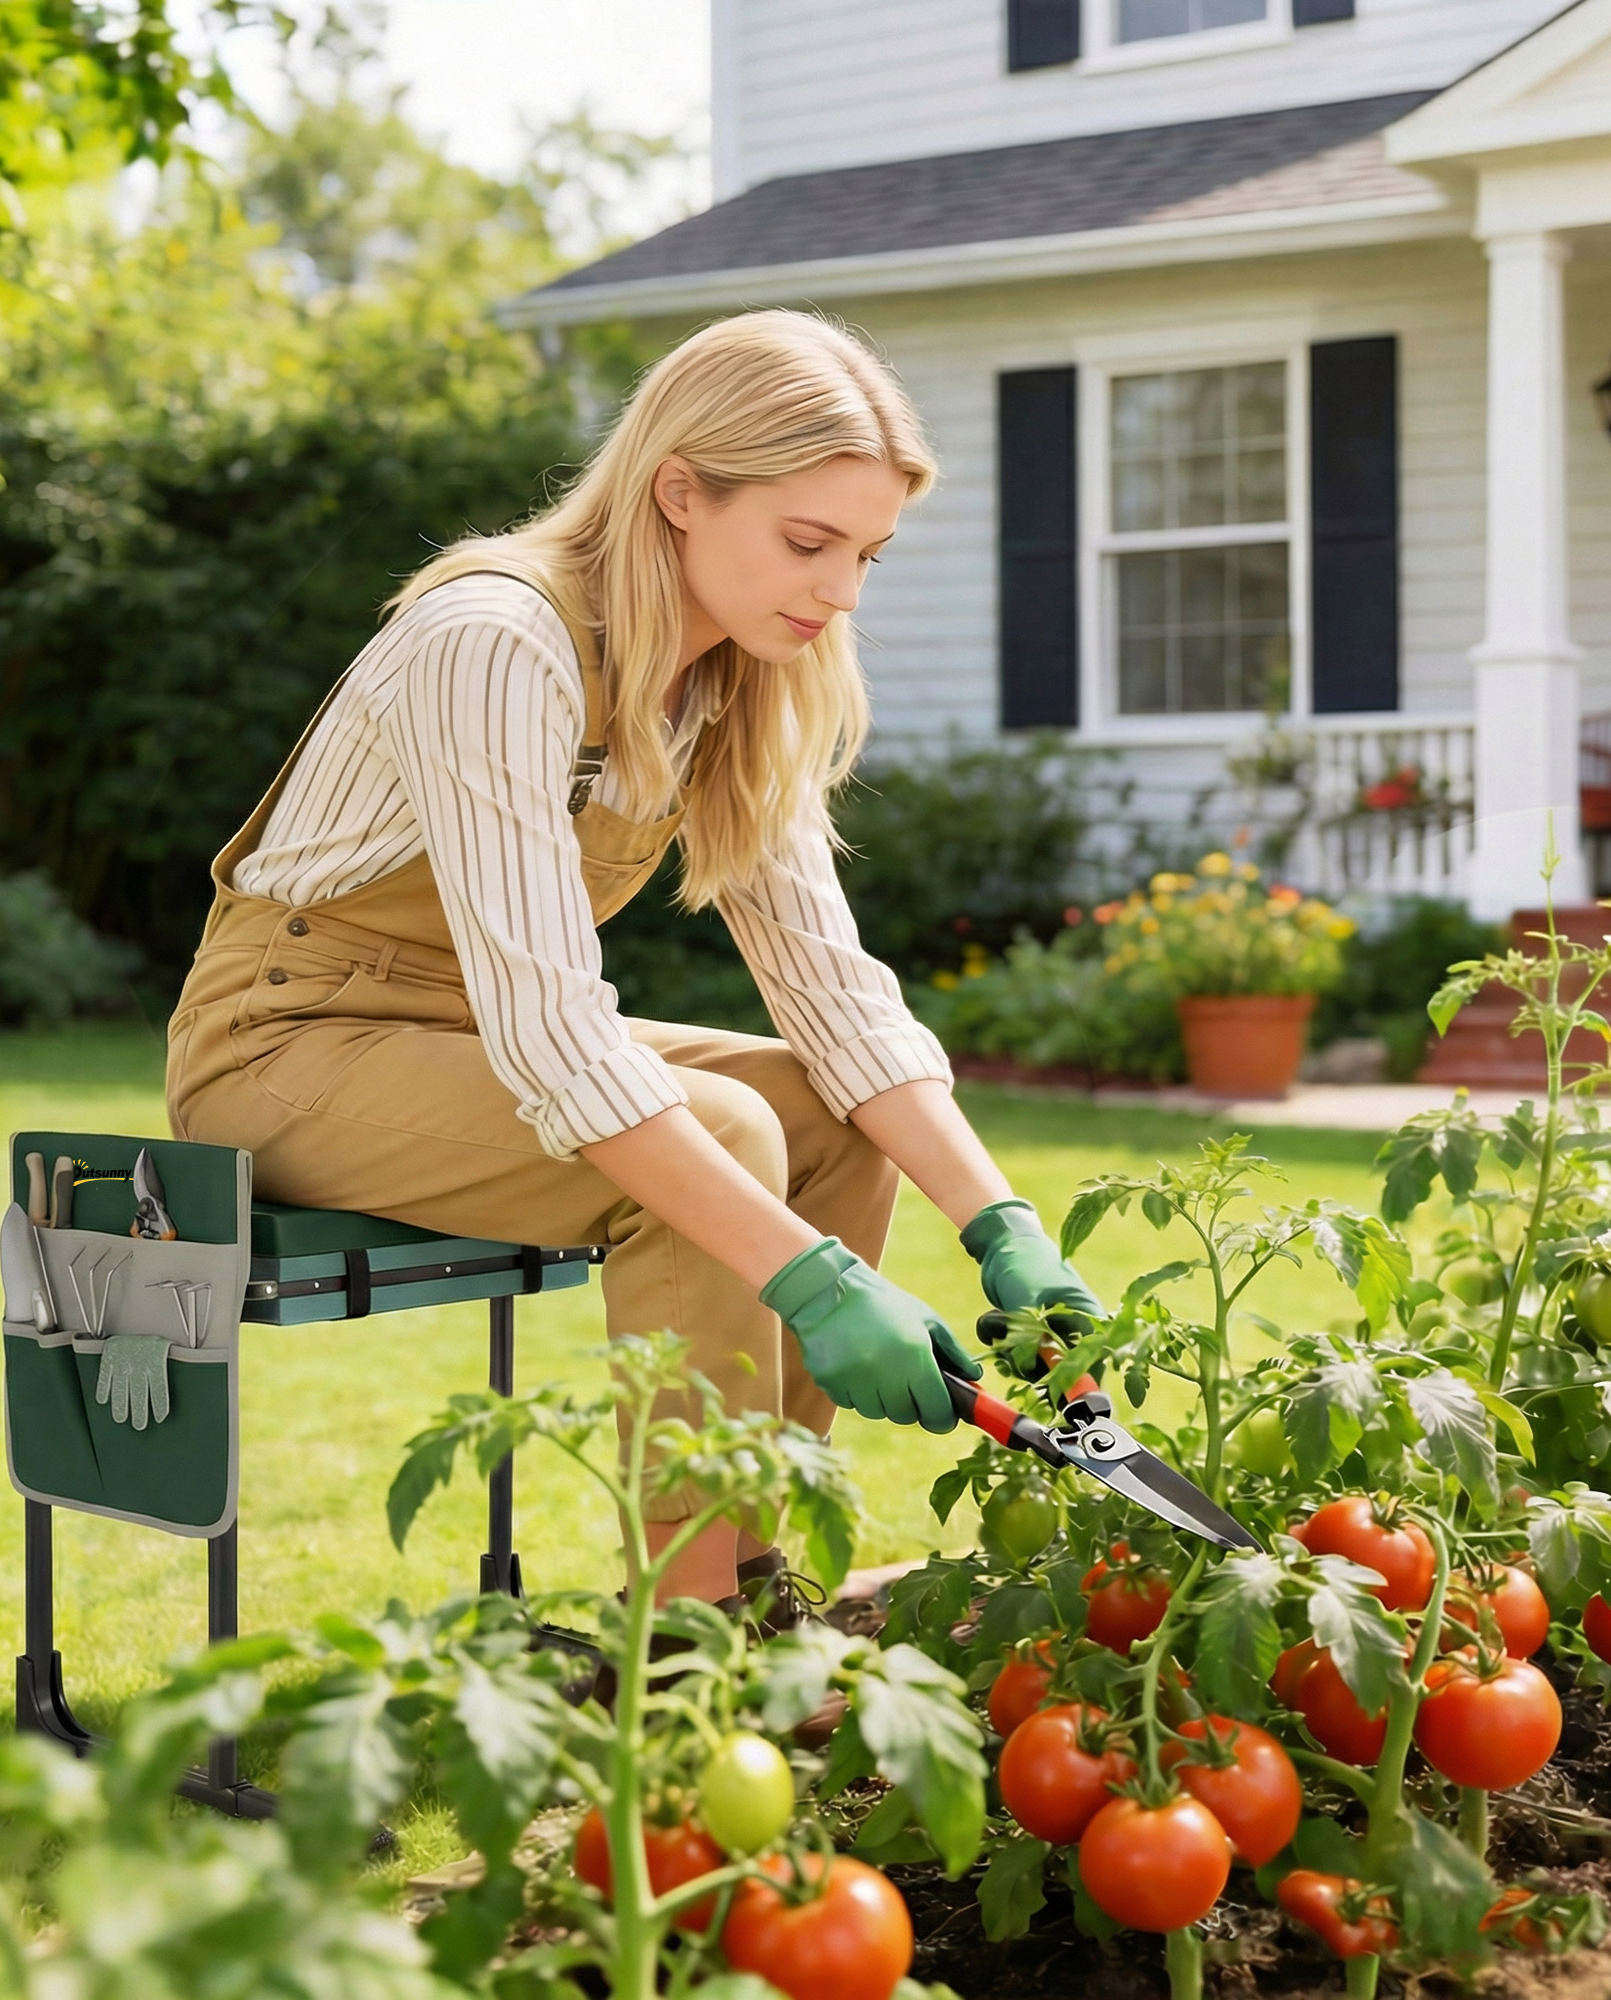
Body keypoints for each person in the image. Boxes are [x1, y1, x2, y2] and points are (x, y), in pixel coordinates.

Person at [166, 309, 1101, 1618]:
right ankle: (686, 1633)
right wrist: (819, 1282)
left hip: (469, 1038)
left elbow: (833, 995)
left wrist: (1003, 1226)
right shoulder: (495, 640)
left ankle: (755, 1578)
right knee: (719, 1131)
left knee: (827, 1114)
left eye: (867, 554)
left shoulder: (736, 674)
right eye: (809, 543)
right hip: (285, 1050)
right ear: (679, 493)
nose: (842, 591)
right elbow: (557, 1035)